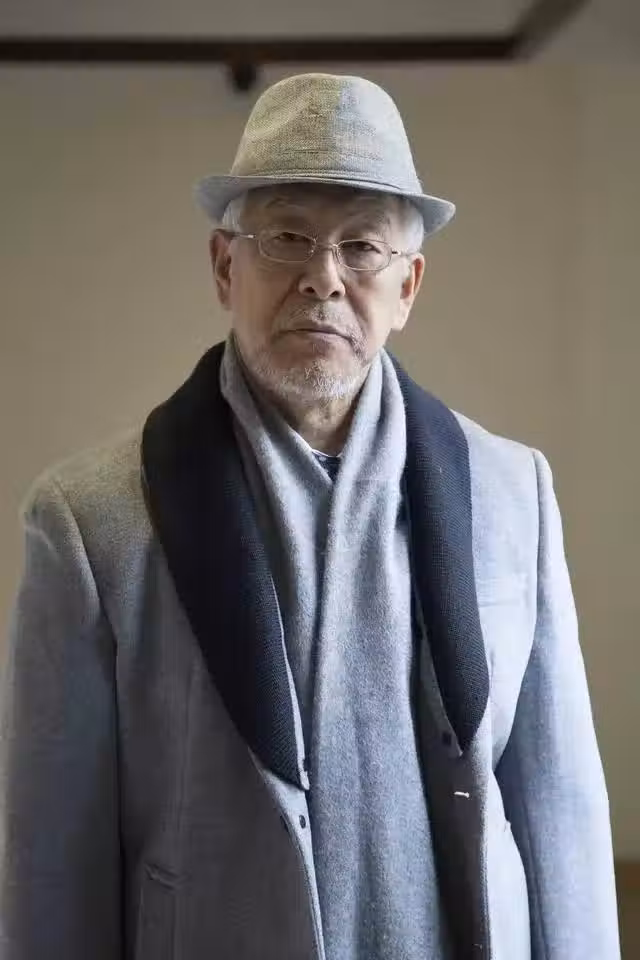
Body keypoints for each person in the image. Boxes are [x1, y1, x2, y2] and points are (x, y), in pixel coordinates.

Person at [0, 72, 620, 960]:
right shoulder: (90, 522)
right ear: (226, 267)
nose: (322, 279)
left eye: (362, 247)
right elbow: (53, 861)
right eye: (287, 237)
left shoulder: (513, 492)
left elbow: (560, 806)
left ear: (407, 287)